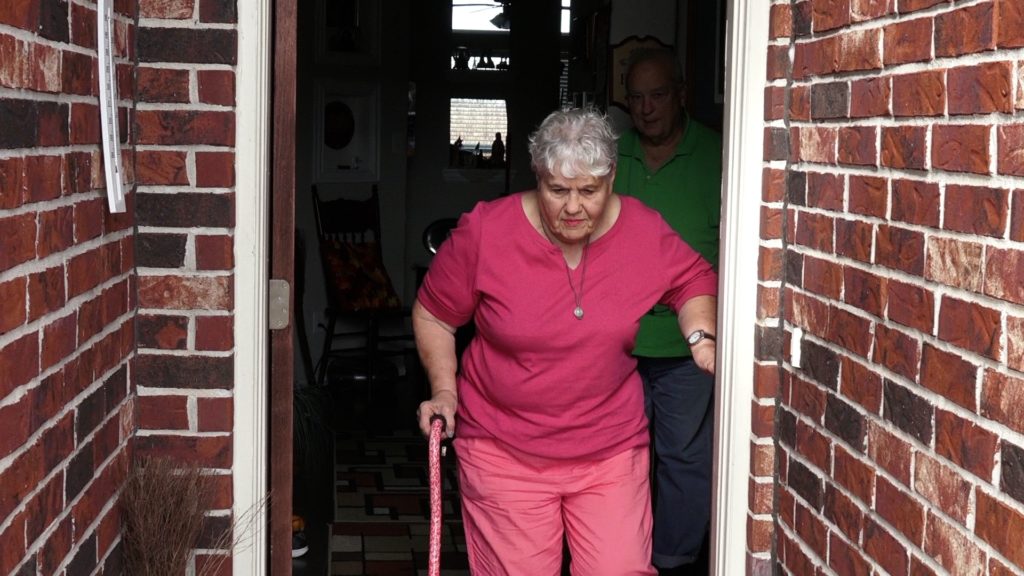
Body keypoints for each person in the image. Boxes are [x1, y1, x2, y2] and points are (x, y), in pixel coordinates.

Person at [414, 107, 718, 575]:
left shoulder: (642, 229)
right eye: (558, 190)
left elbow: (693, 278)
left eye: (588, 191)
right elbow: (435, 314)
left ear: (611, 177)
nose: (573, 207)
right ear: (538, 177)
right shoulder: (487, 232)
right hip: (503, 449)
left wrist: (700, 335)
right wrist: (445, 391)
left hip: (610, 452)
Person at [613, 48, 723, 574]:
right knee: (620, 455)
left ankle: (674, 561)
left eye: (657, 95)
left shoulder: (718, 154)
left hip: (688, 344)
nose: (647, 109)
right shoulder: (613, 159)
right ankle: (620, 554)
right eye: (636, 98)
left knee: (682, 455)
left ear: (680, 94)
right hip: (622, 342)